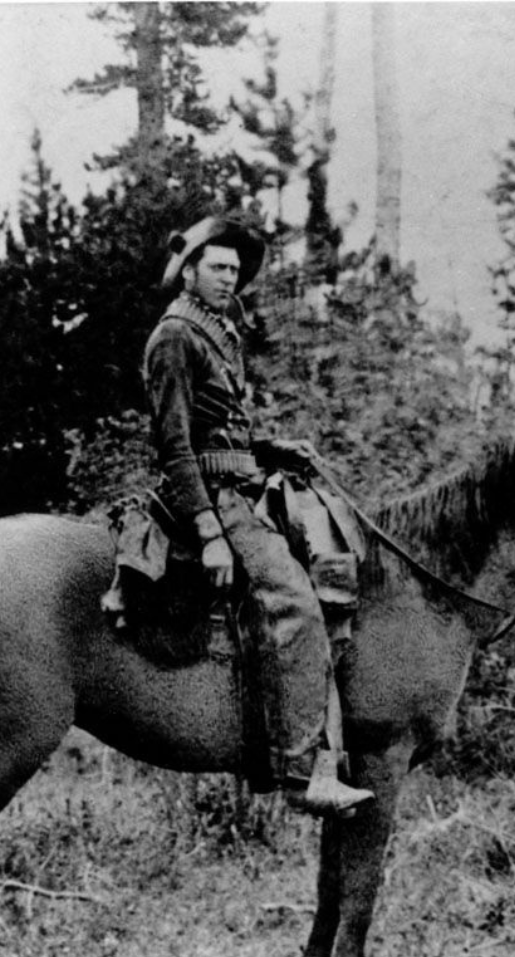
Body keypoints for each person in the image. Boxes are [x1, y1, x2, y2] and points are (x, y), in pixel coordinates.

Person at [142, 213, 372, 817]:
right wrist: (209, 531)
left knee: (331, 565)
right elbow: (175, 445)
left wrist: (274, 449)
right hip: (216, 500)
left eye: (235, 271)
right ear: (189, 270)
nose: (228, 279)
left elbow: (225, 432)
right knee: (292, 601)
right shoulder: (175, 336)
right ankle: (303, 775)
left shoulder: (219, 332)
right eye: (217, 267)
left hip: (242, 485)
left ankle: (329, 747)